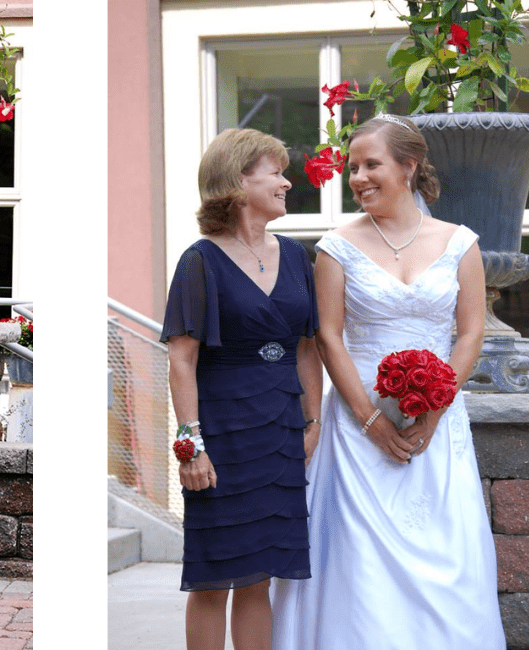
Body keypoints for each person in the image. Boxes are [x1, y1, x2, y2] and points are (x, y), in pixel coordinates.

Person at [271, 114, 505, 648]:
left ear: (408, 166)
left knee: (446, 553)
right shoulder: (336, 247)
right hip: (357, 431)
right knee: (359, 565)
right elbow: (328, 337)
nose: (357, 177)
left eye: (371, 164)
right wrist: (371, 420)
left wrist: (437, 407)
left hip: (437, 428)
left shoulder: (459, 242)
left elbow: (470, 333)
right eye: (353, 167)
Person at [161, 128, 323, 650]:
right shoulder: (200, 261)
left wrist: (312, 421)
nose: (286, 181)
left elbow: (306, 348)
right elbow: (181, 360)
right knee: (213, 576)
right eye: (275, 172)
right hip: (222, 433)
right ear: (238, 179)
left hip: (280, 430)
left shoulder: (298, 257)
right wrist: (191, 446)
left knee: (260, 577)